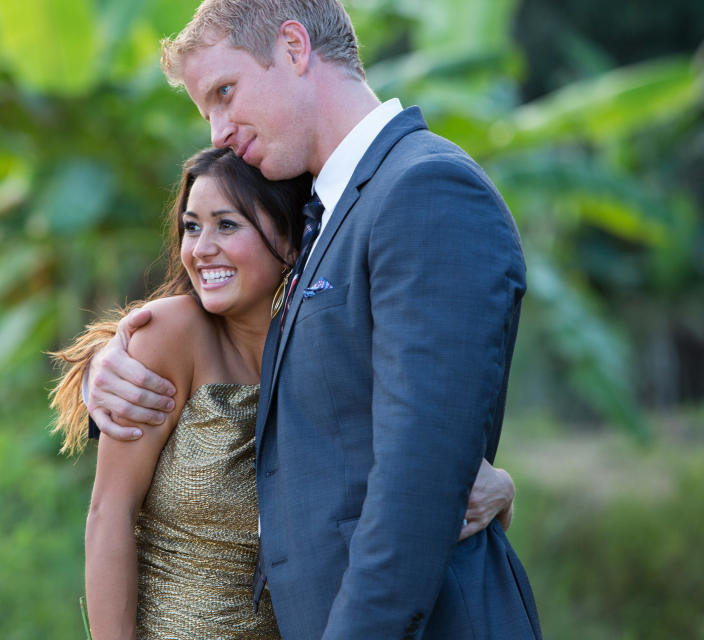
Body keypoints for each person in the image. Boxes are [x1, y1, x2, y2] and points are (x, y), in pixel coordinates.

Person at [83, 1, 543, 638]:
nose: (217, 131)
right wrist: (108, 360)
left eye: (225, 91)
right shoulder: (326, 216)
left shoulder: (425, 189)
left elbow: (416, 486)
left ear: (295, 49)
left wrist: (490, 481)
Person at [52, 147, 517, 639]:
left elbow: (401, 491)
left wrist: (500, 490)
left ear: (292, 243)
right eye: (192, 226)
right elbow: (108, 515)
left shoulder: (333, 359)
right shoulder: (169, 336)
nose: (202, 247)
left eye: (227, 225)